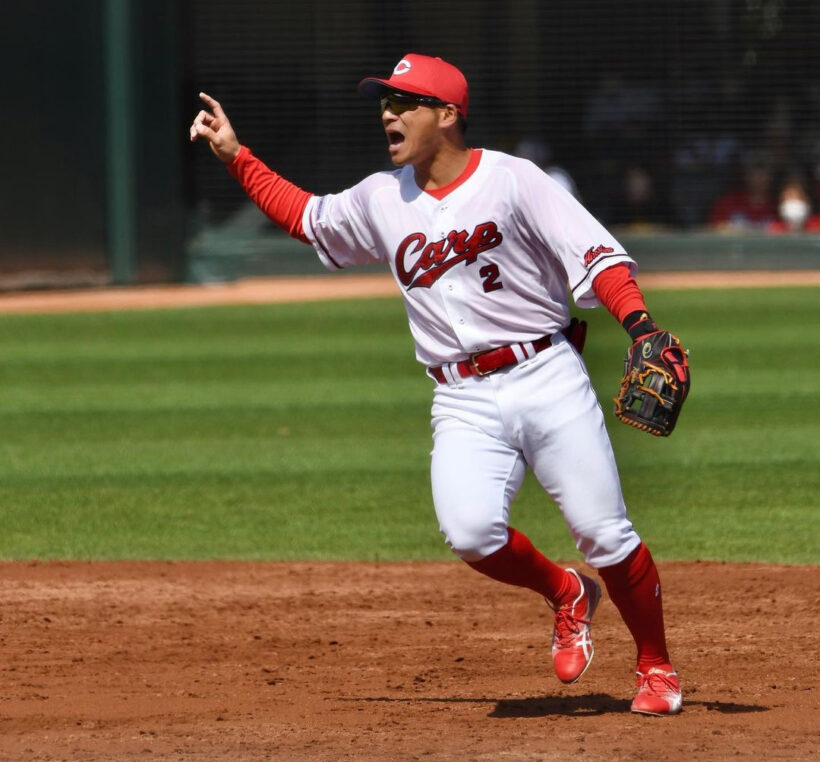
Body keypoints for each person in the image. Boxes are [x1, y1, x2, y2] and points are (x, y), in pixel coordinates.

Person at [190, 53, 685, 716]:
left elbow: (594, 257)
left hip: (546, 375)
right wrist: (235, 155)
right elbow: (307, 218)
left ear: (448, 114)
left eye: (404, 102)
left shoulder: (514, 181)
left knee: (607, 534)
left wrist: (642, 328)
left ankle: (655, 668)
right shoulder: (379, 198)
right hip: (461, 396)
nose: (388, 114)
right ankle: (568, 592)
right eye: (384, 103)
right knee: (472, 532)